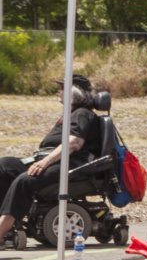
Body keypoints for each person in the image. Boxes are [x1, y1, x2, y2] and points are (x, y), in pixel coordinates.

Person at [0, 81, 106, 245]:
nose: (58, 91)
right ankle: (9, 222)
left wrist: (45, 162)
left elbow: (74, 143)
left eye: (62, 88)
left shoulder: (82, 114)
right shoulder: (71, 114)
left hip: (72, 165)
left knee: (25, 180)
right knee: (5, 166)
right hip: (51, 161)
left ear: (74, 92)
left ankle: (2, 229)